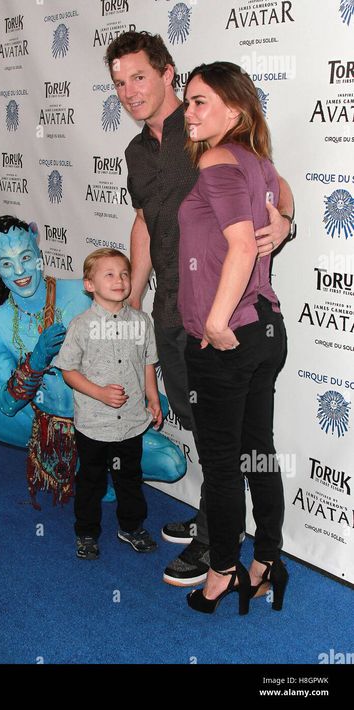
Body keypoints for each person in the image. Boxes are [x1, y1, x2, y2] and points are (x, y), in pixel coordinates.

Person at [106, 31, 295, 587]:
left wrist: (283, 218)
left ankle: (219, 547)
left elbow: (273, 182)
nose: (129, 91)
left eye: (139, 76)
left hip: (221, 313)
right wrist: (132, 297)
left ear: (168, 73)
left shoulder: (205, 139)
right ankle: (224, 523)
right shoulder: (137, 152)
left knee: (226, 439)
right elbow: (144, 222)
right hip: (172, 308)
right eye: (119, 83)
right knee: (204, 424)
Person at [0, 217, 185, 551]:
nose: (19, 271)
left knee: (172, 464)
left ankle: (95, 471)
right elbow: (6, 404)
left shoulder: (82, 289)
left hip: (96, 418)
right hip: (35, 423)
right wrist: (34, 363)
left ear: (37, 247)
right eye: (6, 262)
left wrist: (148, 394)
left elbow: (133, 330)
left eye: (25, 257)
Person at [178, 61, 289, 614]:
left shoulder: (220, 160)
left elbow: (242, 247)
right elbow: (281, 194)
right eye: (188, 100)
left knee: (222, 464)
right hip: (268, 329)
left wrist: (216, 324)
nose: (189, 111)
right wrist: (285, 218)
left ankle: (223, 569)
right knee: (257, 453)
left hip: (232, 336)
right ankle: (267, 559)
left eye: (201, 102)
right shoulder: (257, 162)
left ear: (235, 110)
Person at [54, 248, 162, 560]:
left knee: (130, 477)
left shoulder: (142, 322)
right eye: (110, 274)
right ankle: (86, 533)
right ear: (89, 284)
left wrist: (152, 398)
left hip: (131, 421)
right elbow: (68, 370)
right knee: (90, 480)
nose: (120, 280)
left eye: (125, 274)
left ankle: (131, 526)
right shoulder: (81, 326)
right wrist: (99, 393)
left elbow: (147, 363)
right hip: (93, 423)